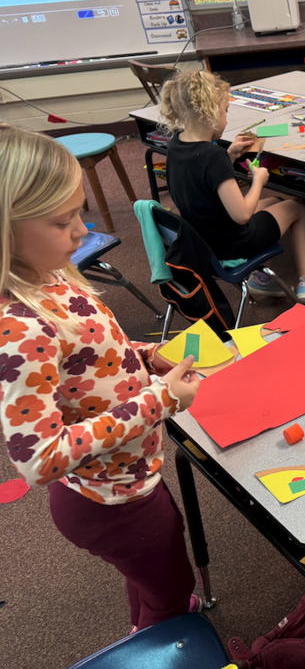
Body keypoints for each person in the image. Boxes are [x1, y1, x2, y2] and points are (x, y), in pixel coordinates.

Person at [0, 127, 203, 632]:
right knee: (170, 587)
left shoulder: (49, 272)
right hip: (107, 499)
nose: (81, 231)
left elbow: (94, 354)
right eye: (62, 221)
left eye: (79, 212)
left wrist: (146, 356)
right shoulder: (21, 329)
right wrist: (159, 401)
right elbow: (38, 459)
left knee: (154, 577)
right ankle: (163, 634)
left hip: (124, 478)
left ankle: (155, 618)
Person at [160, 70, 305, 304]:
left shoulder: (176, 145)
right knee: (298, 207)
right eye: (225, 111)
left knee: (275, 203)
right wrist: (258, 182)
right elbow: (242, 214)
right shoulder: (213, 156)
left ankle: (261, 280)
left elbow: (201, 179)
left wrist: (229, 156)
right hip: (231, 245)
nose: (226, 118)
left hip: (203, 238)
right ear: (210, 112)